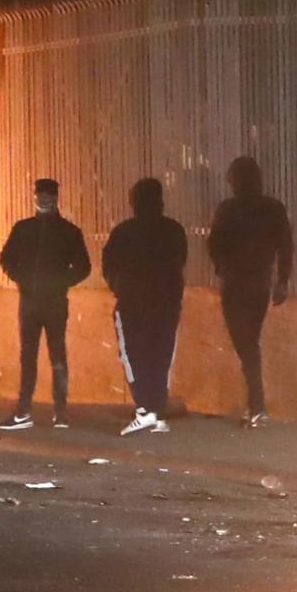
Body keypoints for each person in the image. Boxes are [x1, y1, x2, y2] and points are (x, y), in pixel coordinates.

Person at [0, 178, 91, 430]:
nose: (44, 200)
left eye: (47, 196)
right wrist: (55, 282)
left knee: (43, 356)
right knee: (45, 356)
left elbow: (84, 267)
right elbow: (6, 259)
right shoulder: (57, 230)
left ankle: (31, 411)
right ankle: (51, 412)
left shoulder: (38, 229)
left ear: (55, 198)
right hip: (44, 301)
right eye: (41, 196)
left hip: (40, 301)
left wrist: (27, 280)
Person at [207, 156, 294, 428]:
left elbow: (214, 243)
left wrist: (221, 266)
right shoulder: (273, 208)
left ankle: (257, 405)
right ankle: (255, 404)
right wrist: (282, 280)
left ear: (236, 180)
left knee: (245, 344)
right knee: (250, 341)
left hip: (235, 281)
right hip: (259, 283)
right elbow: (286, 245)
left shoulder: (228, 209)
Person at [102, 178, 187, 436]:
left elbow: (109, 266)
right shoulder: (173, 230)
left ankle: (144, 409)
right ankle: (156, 410)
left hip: (133, 302)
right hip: (166, 302)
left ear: (134, 202)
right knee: (161, 355)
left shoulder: (123, 232)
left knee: (133, 355)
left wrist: (120, 287)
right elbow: (179, 261)